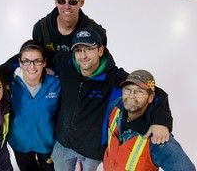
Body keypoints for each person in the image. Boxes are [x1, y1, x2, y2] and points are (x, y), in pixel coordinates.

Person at [50, 28, 173, 171]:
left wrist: (162, 121)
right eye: (78, 50)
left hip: (92, 150)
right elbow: (33, 57)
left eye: (88, 49)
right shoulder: (67, 65)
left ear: (100, 50)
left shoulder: (114, 78)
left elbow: (153, 92)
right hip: (63, 143)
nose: (82, 55)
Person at [103, 70, 196, 171]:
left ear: (150, 98)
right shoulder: (116, 107)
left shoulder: (158, 140)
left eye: (139, 92)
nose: (131, 95)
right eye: (127, 90)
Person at [7, 39, 61, 171]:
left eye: (37, 61)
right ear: (19, 62)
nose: (32, 67)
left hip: (47, 143)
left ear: (44, 62)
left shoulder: (56, 83)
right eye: (26, 61)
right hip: (20, 143)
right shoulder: (10, 84)